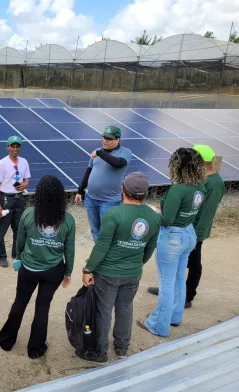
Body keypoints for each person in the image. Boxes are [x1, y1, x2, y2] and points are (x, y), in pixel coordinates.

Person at [79, 172, 160, 364]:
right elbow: (150, 247)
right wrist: (138, 264)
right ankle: (122, 347)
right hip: (132, 273)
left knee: (103, 311)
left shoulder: (114, 214)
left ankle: (100, 352)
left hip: (107, 273)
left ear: (122, 189)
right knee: (125, 309)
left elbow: (102, 246)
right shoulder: (154, 217)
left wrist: (88, 269)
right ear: (145, 194)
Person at [0, 175, 74, 359]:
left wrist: (18, 261)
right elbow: (69, 250)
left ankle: (6, 341)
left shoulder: (28, 214)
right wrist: (68, 272)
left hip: (28, 270)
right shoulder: (68, 220)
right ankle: (35, 349)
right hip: (54, 271)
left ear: (38, 195)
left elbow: (20, 243)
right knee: (43, 307)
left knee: (20, 302)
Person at [137, 148, 206, 337]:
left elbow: (166, 220)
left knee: (166, 283)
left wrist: (156, 212)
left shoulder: (177, 189)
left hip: (172, 237)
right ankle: (175, 316)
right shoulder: (200, 187)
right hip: (188, 234)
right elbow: (197, 214)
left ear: (178, 166)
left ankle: (159, 325)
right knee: (178, 279)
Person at [148, 145, 225, 309]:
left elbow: (206, 212)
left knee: (194, 264)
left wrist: (197, 235)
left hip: (192, 231)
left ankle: (187, 296)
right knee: (177, 268)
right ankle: (175, 296)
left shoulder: (213, 183)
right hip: (187, 229)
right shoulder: (199, 181)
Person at [75, 126, 133, 242]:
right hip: (90, 199)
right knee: (95, 230)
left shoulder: (125, 152)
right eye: (104, 137)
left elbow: (118, 163)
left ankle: (108, 259)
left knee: (108, 232)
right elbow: (88, 171)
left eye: (109, 138)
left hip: (109, 202)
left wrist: (100, 153)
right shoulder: (98, 152)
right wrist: (80, 191)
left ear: (118, 139)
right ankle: (99, 256)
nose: (105, 140)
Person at [0, 135, 31, 268]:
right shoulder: (2, 163)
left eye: (17, 146)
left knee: (19, 229)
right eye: (12, 146)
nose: (15, 149)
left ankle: (17, 254)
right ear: (7, 147)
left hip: (20, 199)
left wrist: (25, 185)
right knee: (1, 230)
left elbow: (27, 180)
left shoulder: (24, 162)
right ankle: (1, 256)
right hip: (6, 199)